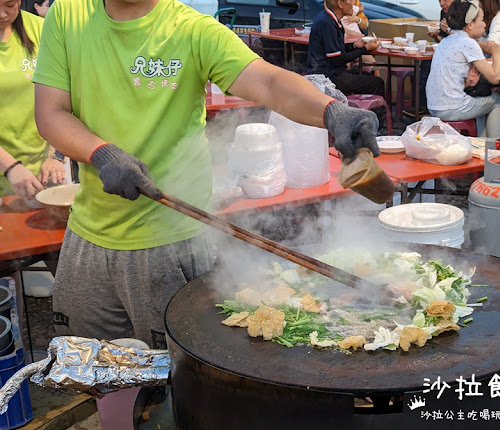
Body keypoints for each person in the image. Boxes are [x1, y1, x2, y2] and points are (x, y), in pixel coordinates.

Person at [32, 0, 380, 348]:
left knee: (175, 378)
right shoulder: (67, 14)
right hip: (87, 239)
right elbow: (51, 112)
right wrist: (100, 152)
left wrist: (331, 110)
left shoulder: (191, 28)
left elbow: (269, 82)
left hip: (171, 242)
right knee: (93, 371)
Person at [0, 0, 65, 201]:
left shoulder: (40, 27)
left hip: (42, 169)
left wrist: (56, 155)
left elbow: (65, 95)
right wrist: (10, 166)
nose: (2, 14)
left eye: (9, 5)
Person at [426, 0, 500, 139]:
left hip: (434, 105)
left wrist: (466, 83)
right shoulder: (468, 43)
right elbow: (495, 78)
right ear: (470, 24)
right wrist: (496, 53)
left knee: (482, 99)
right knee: (497, 101)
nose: (485, 24)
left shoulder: (446, 40)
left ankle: (482, 145)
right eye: (481, 20)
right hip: (451, 107)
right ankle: (494, 147)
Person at [307, 0, 384, 99]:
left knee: (367, 75)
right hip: (327, 76)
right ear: (340, 4)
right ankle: (374, 114)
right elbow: (337, 60)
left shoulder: (328, 18)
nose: (353, 3)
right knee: (377, 82)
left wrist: (354, 45)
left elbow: (336, 49)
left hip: (330, 73)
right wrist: (365, 49)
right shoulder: (327, 23)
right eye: (350, 0)